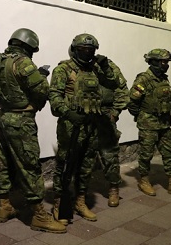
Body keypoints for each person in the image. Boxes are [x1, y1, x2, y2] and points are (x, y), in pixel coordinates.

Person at [0, 28, 66, 234]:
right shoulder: (23, 62)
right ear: (27, 46)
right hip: (21, 120)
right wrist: (41, 75)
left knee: (4, 162)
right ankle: (40, 215)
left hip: (4, 117)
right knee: (29, 165)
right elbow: (42, 90)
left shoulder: (0, 60)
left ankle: (3, 206)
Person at [49, 33, 129, 224]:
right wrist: (68, 113)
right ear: (74, 49)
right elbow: (54, 97)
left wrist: (106, 67)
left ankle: (80, 201)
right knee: (65, 164)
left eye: (90, 50)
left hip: (92, 124)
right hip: (71, 125)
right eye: (82, 50)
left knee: (86, 166)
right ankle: (60, 204)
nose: (86, 54)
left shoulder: (96, 69)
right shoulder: (63, 69)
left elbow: (115, 85)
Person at [128, 49, 171, 198]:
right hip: (148, 124)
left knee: (170, 153)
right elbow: (132, 103)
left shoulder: (164, 79)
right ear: (154, 62)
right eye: (163, 62)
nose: (166, 65)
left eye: (167, 62)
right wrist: (143, 116)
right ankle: (143, 180)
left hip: (164, 123)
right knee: (146, 154)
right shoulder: (143, 79)